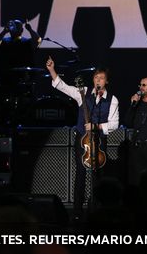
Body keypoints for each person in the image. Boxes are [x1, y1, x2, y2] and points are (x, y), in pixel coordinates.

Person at [45, 57, 119, 217]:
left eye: (101, 78)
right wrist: (52, 71)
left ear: (106, 81)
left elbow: (114, 124)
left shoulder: (112, 100)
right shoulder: (83, 92)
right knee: (80, 173)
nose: (98, 80)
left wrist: (97, 126)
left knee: (99, 174)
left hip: (99, 141)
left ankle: (99, 208)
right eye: (96, 77)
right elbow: (63, 87)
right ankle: (78, 211)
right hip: (82, 140)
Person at [0, 19, 42, 85]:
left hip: (23, 77)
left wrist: (30, 29)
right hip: (5, 78)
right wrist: (4, 32)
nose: (15, 28)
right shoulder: (4, 41)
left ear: (22, 30)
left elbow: (38, 40)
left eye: (17, 27)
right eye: (13, 26)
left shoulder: (26, 42)